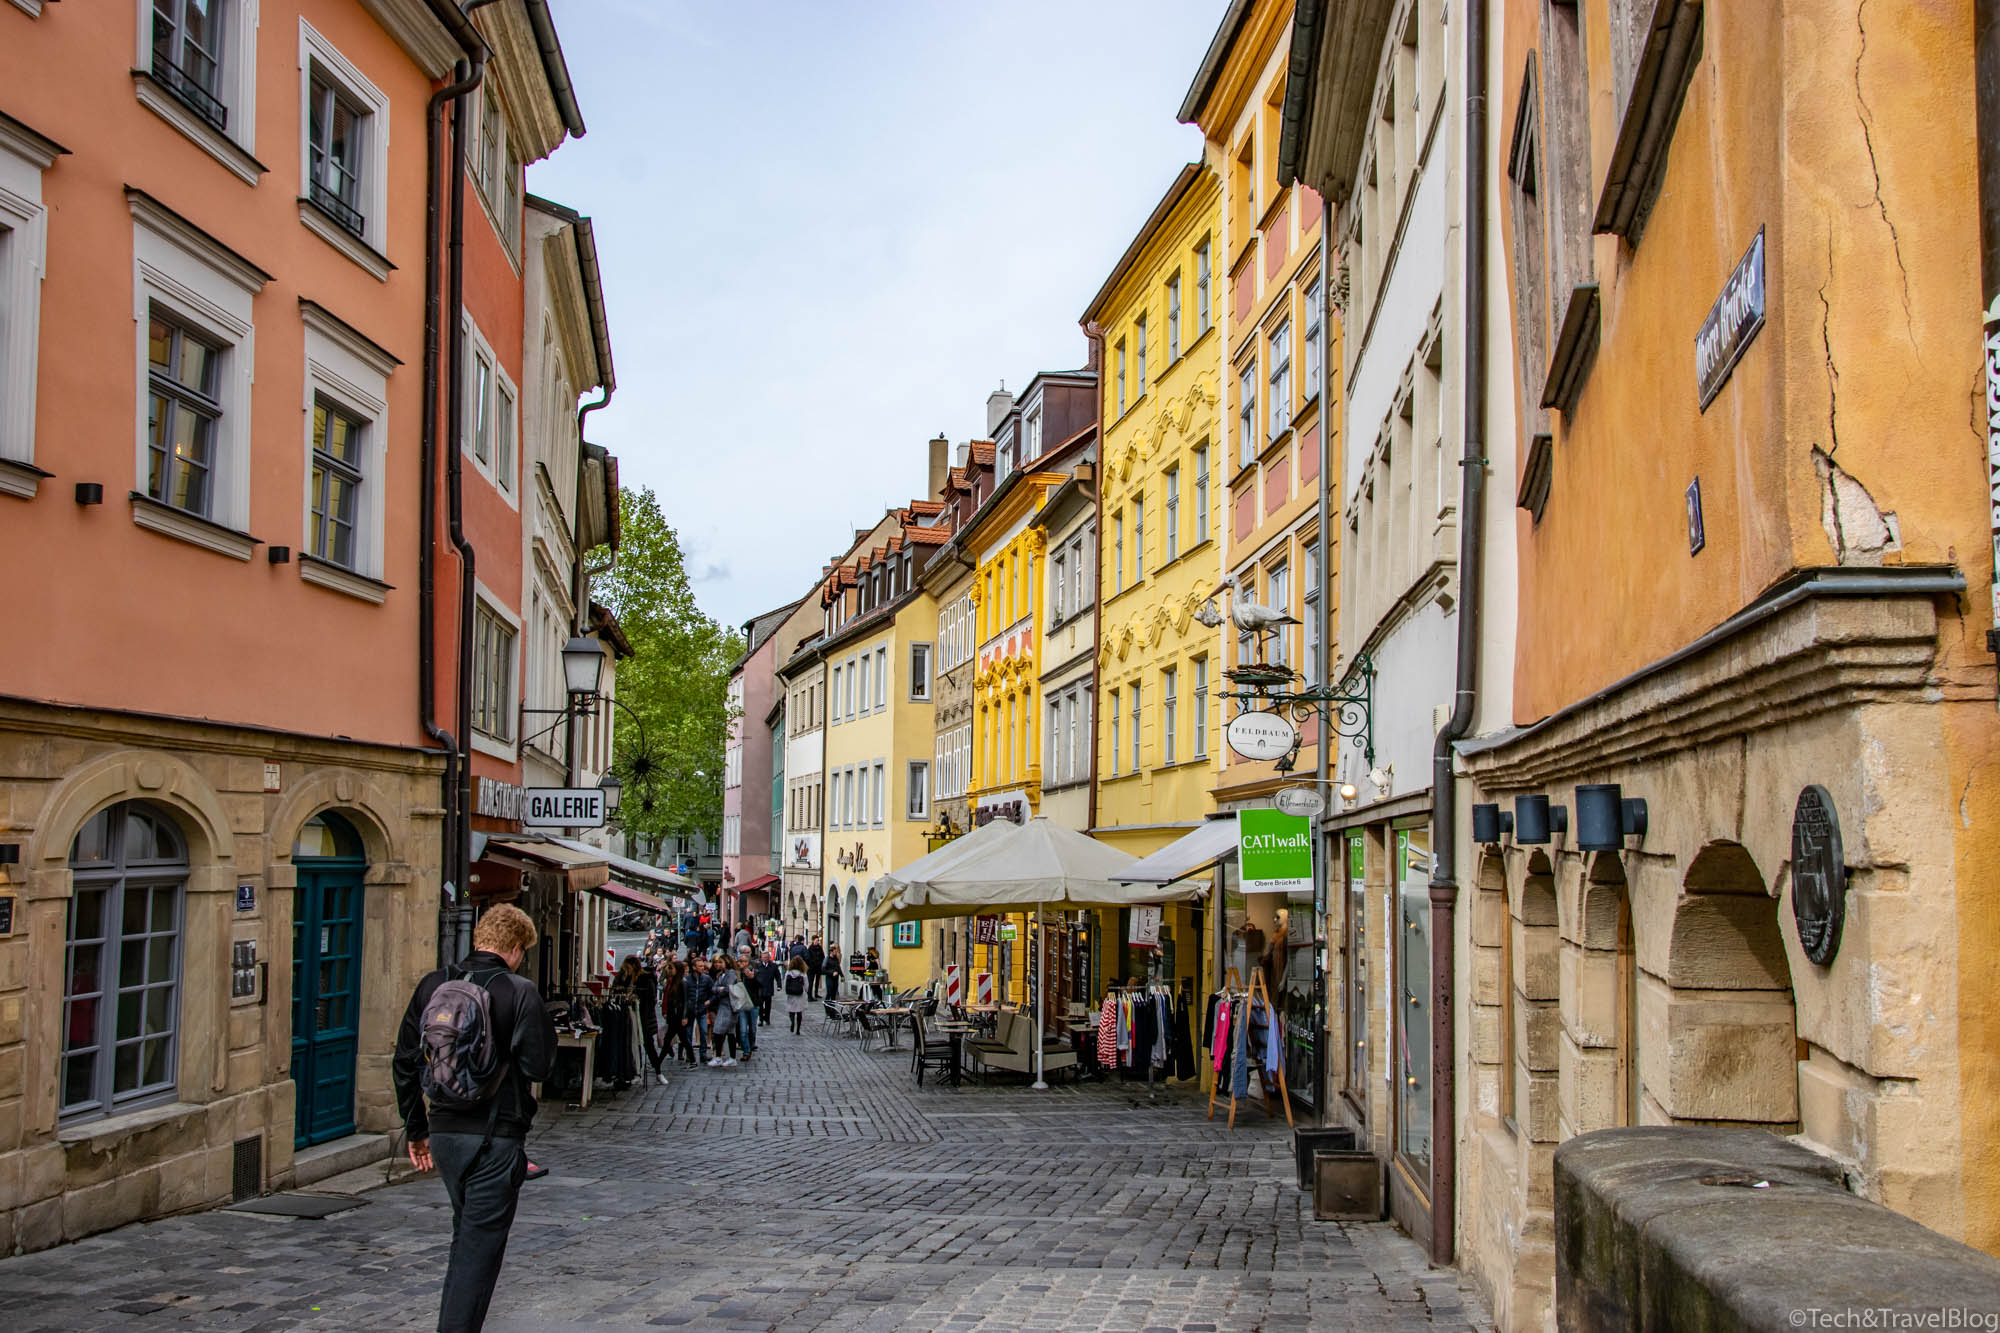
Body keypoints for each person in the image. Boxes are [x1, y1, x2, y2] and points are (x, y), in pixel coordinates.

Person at [392, 904, 555, 1333]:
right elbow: (539, 1067)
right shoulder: (518, 991)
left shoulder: (434, 984)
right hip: (495, 1136)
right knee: (479, 1251)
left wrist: (417, 1129)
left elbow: (405, 1062)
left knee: (465, 1239)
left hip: (444, 1131)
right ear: (515, 947)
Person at [705, 957, 738, 1066]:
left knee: (718, 1030)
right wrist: (719, 989)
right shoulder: (721, 974)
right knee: (729, 1032)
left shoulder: (731, 974)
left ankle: (719, 1057)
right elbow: (714, 988)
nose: (719, 964)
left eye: (721, 962)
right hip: (723, 1005)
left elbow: (728, 989)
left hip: (729, 1006)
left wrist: (720, 989)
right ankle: (730, 1057)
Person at [662, 958, 692, 1069]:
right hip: (674, 1016)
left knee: (672, 1039)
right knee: (682, 1039)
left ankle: (658, 1062)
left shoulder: (682, 983)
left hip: (678, 1016)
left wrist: (684, 1016)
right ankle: (693, 1060)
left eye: (673, 968)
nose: (672, 970)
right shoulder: (673, 982)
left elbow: (685, 1001)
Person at [688, 956, 715, 1066]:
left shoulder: (706, 979)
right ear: (694, 967)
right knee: (688, 1033)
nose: (702, 968)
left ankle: (703, 1054)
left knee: (703, 1032)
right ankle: (690, 1055)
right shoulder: (687, 979)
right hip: (690, 1010)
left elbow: (713, 992)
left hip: (702, 1009)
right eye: (700, 966)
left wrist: (709, 1001)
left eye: (703, 966)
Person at [782, 957, 810, 1034]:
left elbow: (785, 983)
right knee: (799, 1012)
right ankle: (798, 1029)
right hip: (800, 994)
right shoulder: (803, 973)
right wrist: (806, 991)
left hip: (791, 994)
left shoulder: (788, 973)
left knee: (791, 1010)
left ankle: (792, 1022)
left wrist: (786, 991)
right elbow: (806, 985)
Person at [754, 951, 781, 1026]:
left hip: (769, 987)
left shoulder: (773, 966)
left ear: (769, 958)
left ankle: (767, 1018)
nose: (765, 959)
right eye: (763, 957)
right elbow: (754, 976)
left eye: (766, 957)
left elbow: (778, 976)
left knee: (768, 1005)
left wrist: (779, 986)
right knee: (760, 1005)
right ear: (761, 958)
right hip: (760, 988)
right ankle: (761, 1019)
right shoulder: (757, 966)